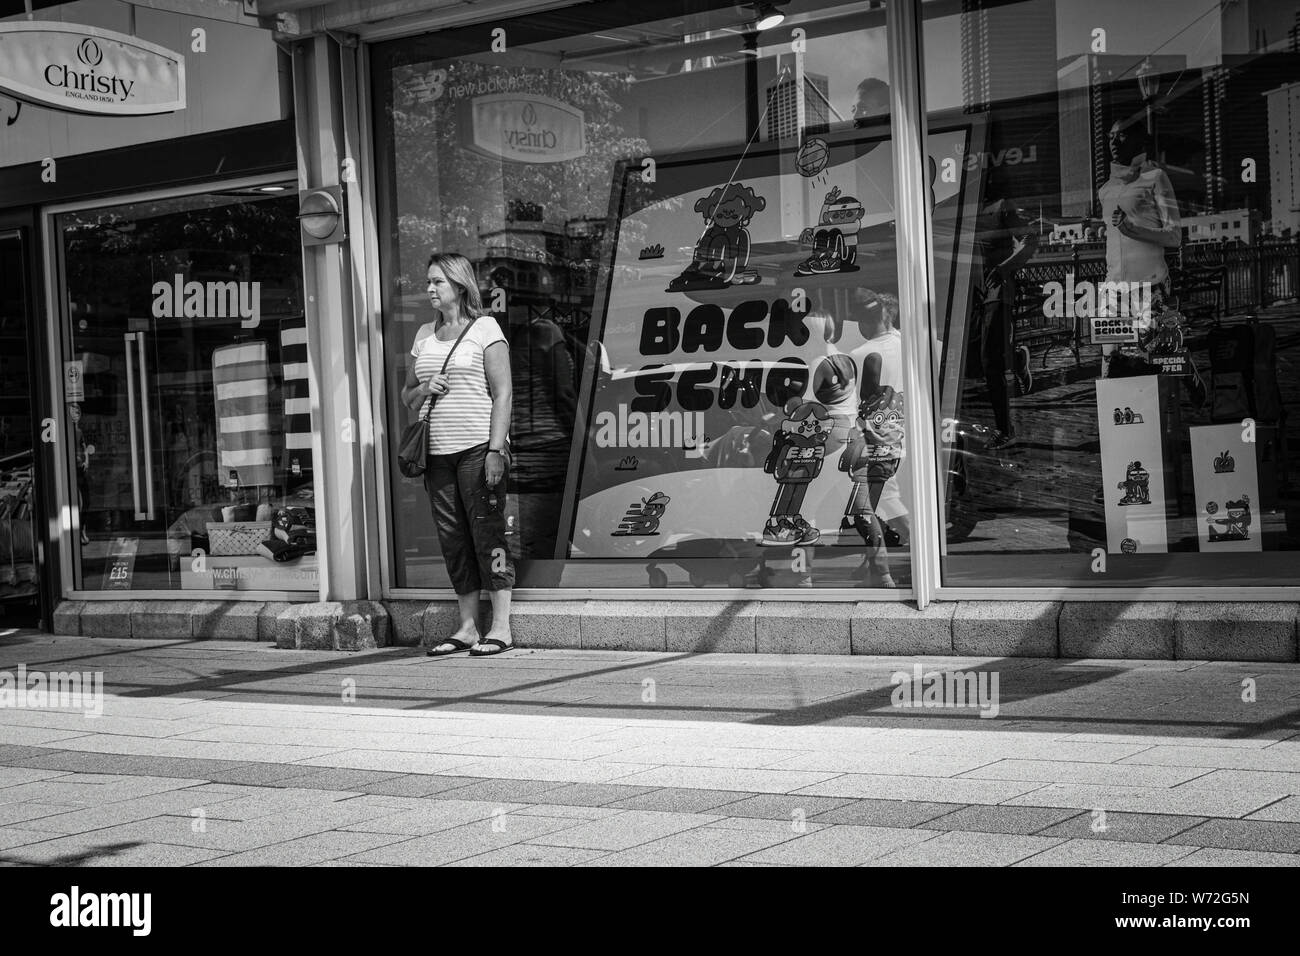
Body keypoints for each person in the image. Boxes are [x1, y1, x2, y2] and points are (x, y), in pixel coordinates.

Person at [401, 252, 516, 657]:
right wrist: (423, 389)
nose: (430, 289)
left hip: (476, 449)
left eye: (437, 282)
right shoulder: (423, 335)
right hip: (436, 454)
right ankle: (467, 627)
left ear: (459, 285)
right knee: (453, 539)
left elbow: (503, 393)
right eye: (428, 282)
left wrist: (495, 449)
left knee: (488, 534)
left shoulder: (485, 328)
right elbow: (407, 397)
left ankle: (500, 625)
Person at [971, 177, 1038, 448]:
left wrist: (1003, 269)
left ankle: (1004, 430)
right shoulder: (959, 208)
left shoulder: (1000, 206)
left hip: (996, 292)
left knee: (990, 362)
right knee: (977, 360)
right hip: (969, 293)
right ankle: (1017, 358)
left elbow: (1030, 239)